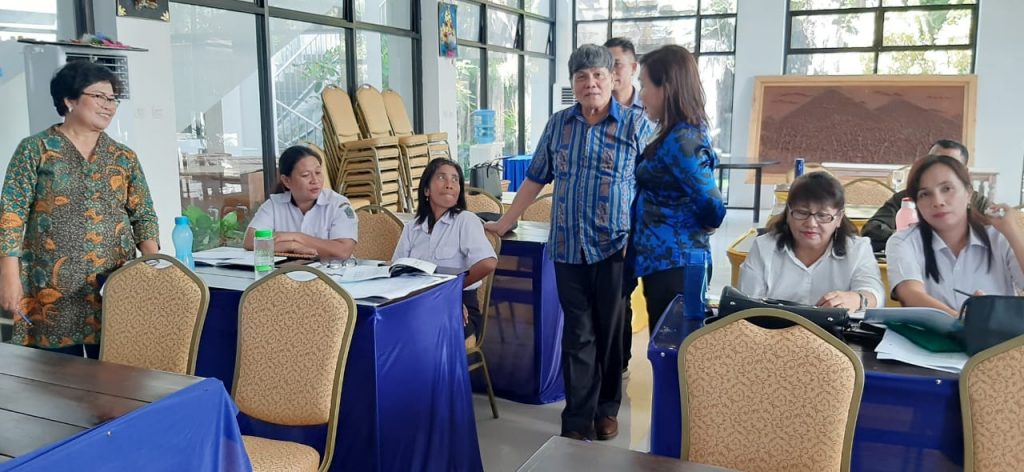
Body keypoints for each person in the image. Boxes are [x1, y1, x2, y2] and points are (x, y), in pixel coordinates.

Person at [486, 44, 652, 441]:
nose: (590, 83)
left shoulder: (636, 126)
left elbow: (651, 187)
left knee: (609, 333)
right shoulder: (559, 124)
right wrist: (506, 221)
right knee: (578, 333)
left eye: (598, 75)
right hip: (567, 246)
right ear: (573, 84)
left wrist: (638, 238)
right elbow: (535, 178)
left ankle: (606, 409)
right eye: (582, 77)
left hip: (615, 247)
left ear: (613, 78)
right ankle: (577, 420)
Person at [0, 61, 159, 357]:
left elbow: (144, 215)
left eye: (112, 99)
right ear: (69, 100)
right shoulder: (36, 149)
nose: (108, 105)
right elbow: (11, 214)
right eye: (99, 96)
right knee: (57, 378)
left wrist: (153, 267)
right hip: (51, 290)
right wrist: (8, 276)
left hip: (112, 284)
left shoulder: (123, 156)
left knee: (116, 373)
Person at [631, 45, 726, 329]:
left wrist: (708, 223)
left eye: (645, 85)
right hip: (663, 262)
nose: (641, 94)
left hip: (676, 264)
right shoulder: (674, 132)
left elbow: (713, 205)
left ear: (667, 88)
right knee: (668, 341)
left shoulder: (683, 139)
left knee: (674, 345)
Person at [887, 155, 1024, 316]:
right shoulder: (903, 242)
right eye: (925, 194)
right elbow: (911, 294)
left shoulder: (998, 237)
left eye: (947, 189)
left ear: (969, 193)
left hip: (1001, 332)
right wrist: (962, 321)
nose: (938, 201)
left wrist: (1011, 230)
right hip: (935, 332)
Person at [740, 172, 884, 311]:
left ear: (839, 218)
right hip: (773, 327)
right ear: (788, 213)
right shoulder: (763, 247)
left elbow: (874, 292)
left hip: (834, 328)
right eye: (802, 213)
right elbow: (747, 305)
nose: (811, 223)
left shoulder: (858, 249)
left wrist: (858, 299)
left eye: (823, 215)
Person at [392, 158, 497, 341]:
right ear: (426, 190)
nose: (449, 184)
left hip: (459, 301)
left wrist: (448, 295)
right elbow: (397, 269)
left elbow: (488, 263)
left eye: (455, 179)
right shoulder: (412, 227)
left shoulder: (465, 220)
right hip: (416, 301)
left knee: (422, 333)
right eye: (442, 177)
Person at [604, 37, 646, 377]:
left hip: (642, 224)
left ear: (633, 68)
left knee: (626, 295)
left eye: (616, 64)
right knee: (615, 296)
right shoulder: (593, 112)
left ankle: (620, 362)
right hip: (604, 227)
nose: (611, 71)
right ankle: (616, 364)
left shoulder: (652, 112)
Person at [862, 139, 985, 252]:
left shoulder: (978, 201)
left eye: (949, 165)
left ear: (964, 172)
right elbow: (872, 229)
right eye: (933, 162)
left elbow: (992, 234)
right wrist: (912, 238)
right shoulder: (907, 197)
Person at [244, 145, 357, 259]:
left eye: (318, 172)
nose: (315, 180)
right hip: (290, 269)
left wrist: (297, 237)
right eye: (305, 175)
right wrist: (291, 246)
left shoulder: (338, 204)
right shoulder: (274, 204)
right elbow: (250, 241)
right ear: (286, 181)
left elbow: (343, 251)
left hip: (334, 270)